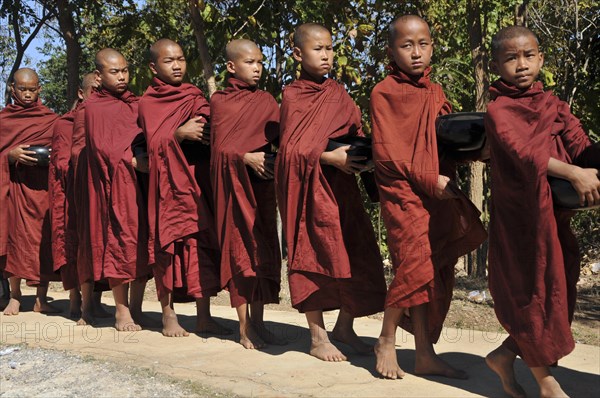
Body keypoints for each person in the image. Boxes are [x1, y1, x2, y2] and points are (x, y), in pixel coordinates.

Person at [484, 25, 599, 398]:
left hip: (554, 218)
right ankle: (547, 386)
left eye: (528, 55)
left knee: (556, 292)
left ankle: (504, 356)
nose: (521, 65)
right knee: (530, 294)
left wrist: (591, 161)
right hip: (521, 222)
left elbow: (580, 145)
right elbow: (525, 153)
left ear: (541, 59)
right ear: (496, 65)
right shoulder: (499, 109)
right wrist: (573, 173)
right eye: (511, 58)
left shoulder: (553, 105)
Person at [370, 15, 487, 380]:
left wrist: (477, 150)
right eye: (407, 46)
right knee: (412, 266)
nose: (416, 53)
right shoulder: (383, 92)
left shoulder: (434, 92)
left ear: (432, 46)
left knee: (429, 271)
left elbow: (441, 142)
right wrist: (426, 177)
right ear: (391, 51)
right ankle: (385, 340)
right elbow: (387, 153)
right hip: (403, 191)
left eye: (423, 44)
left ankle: (424, 353)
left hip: (435, 191)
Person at [276, 23, 387, 362]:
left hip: (342, 191)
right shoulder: (294, 96)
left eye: (330, 48)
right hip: (310, 193)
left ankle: (344, 328)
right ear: (298, 54)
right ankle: (317, 336)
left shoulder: (338, 93)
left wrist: (363, 155)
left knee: (358, 255)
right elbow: (288, 152)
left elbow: (355, 130)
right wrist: (327, 157)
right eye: (317, 49)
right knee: (312, 258)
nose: (326, 55)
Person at [138, 39, 231, 336]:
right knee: (168, 247)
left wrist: (206, 126)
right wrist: (177, 134)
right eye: (169, 61)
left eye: (180, 59)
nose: (177, 65)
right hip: (166, 186)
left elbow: (211, 121)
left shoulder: (193, 94)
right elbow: (151, 146)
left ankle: (204, 315)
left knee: (200, 245)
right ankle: (168, 315)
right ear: (154, 67)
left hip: (195, 181)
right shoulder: (148, 102)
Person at [210, 39, 285, 348]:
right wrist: (244, 157)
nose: (257, 68)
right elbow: (219, 150)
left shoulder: (267, 100)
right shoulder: (220, 101)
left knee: (264, 253)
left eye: (260, 62)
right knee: (240, 254)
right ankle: (244, 328)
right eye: (250, 62)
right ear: (231, 66)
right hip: (234, 189)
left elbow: (282, 138)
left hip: (263, 188)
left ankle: (259, 322)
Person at [82, 48, 153, 331]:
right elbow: (102, 148)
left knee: (143, 243)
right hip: (113, 187)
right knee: (120, 243)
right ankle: (121, 311)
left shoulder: (137, 103)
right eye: (115, 72)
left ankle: (136, 307)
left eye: (125, 70)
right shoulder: (93, 107)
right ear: (99, 76)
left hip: (141, 183)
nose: (122, 76)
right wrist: (130, 160)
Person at [0, 68, 61, 315]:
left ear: (39, 90)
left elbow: (62, 148)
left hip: (43, 189)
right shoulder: (4, 121)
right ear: (12, 89)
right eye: (22, 89)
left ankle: (40, 298)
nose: (27, 94)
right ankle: (15, 296)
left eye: (32, 89)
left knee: (42, 242)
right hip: (14, 187)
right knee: (15, 240)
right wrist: (9, 156)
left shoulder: (51, 119)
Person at [49, 72, 109, 319]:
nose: (98, 97)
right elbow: (62, 163)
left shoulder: (109, 116)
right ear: (81, 94)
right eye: (94, 92)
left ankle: (95, 300)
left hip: (100, 192)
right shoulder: (65, 123)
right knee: (75, 246)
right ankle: (76, 300)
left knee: (102, 245)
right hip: (72, 195)